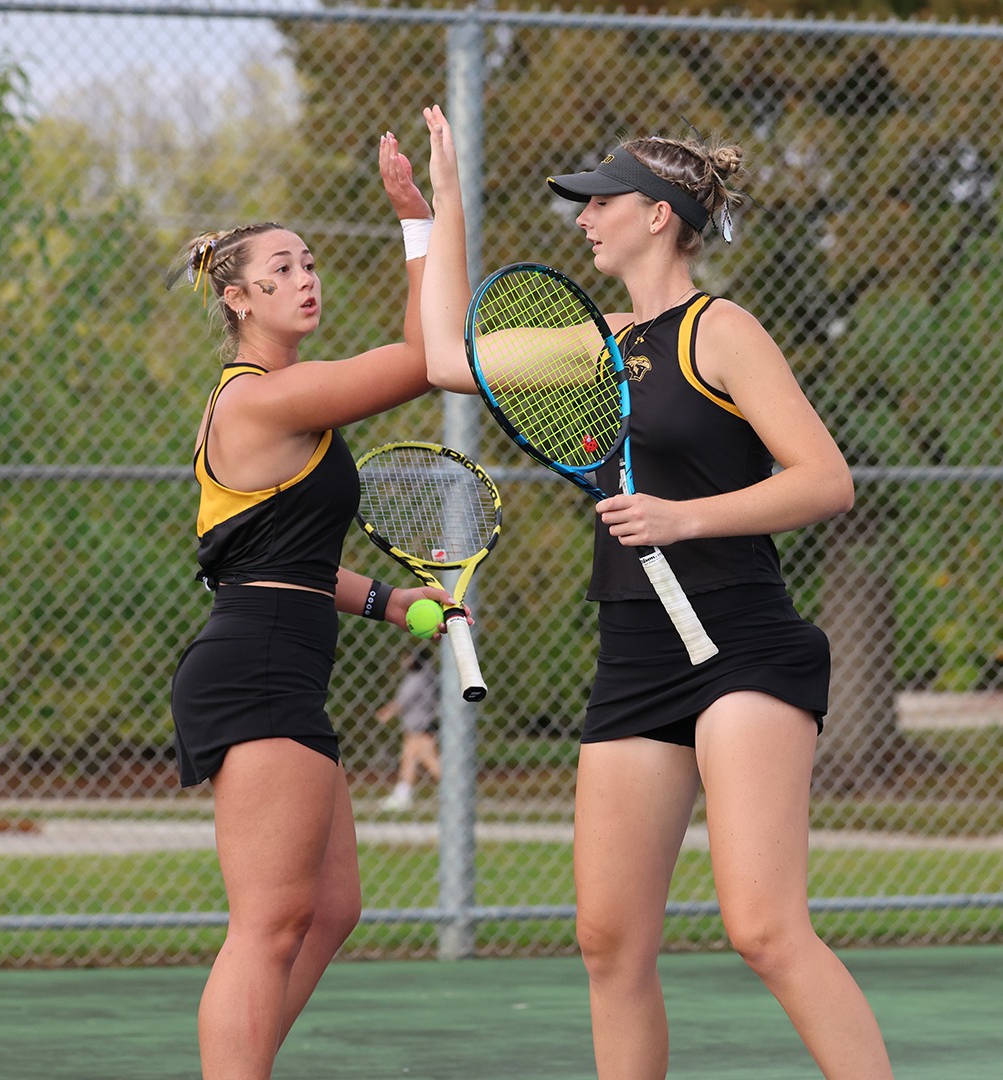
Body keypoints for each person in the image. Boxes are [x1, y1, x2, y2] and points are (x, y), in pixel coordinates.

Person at [417, 107, 894, 1080]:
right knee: (608, 941)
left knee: (762, 927)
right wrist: (434, 215)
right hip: (636, 651)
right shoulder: (597, 345)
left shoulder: (724, 331)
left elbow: (825, 479)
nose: (584, 218)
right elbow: (443, 357)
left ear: (659, 216)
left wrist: (684, 518)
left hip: (742, 644)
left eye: (602, 201)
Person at [166, 130, 453, 1080]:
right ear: (237, 297)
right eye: (282, 268)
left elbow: (277, 562)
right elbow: (423, 357)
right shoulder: (258, 403)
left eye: (311, 263)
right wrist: (420, 220)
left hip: (278, 652)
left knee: (328, 910)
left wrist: (392, 605)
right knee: (270, 920)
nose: (305, 278)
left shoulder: (288, 404)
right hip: (254, 666)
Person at [375, 648, 442, 811]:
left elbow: (403, 700)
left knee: (428, 760)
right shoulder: (429, 676)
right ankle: (403, 794)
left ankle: (457, 789)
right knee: (408, 759)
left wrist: (386, 712)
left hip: (420, 726)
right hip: (417, 725)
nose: (403, 662)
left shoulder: (418, 678)